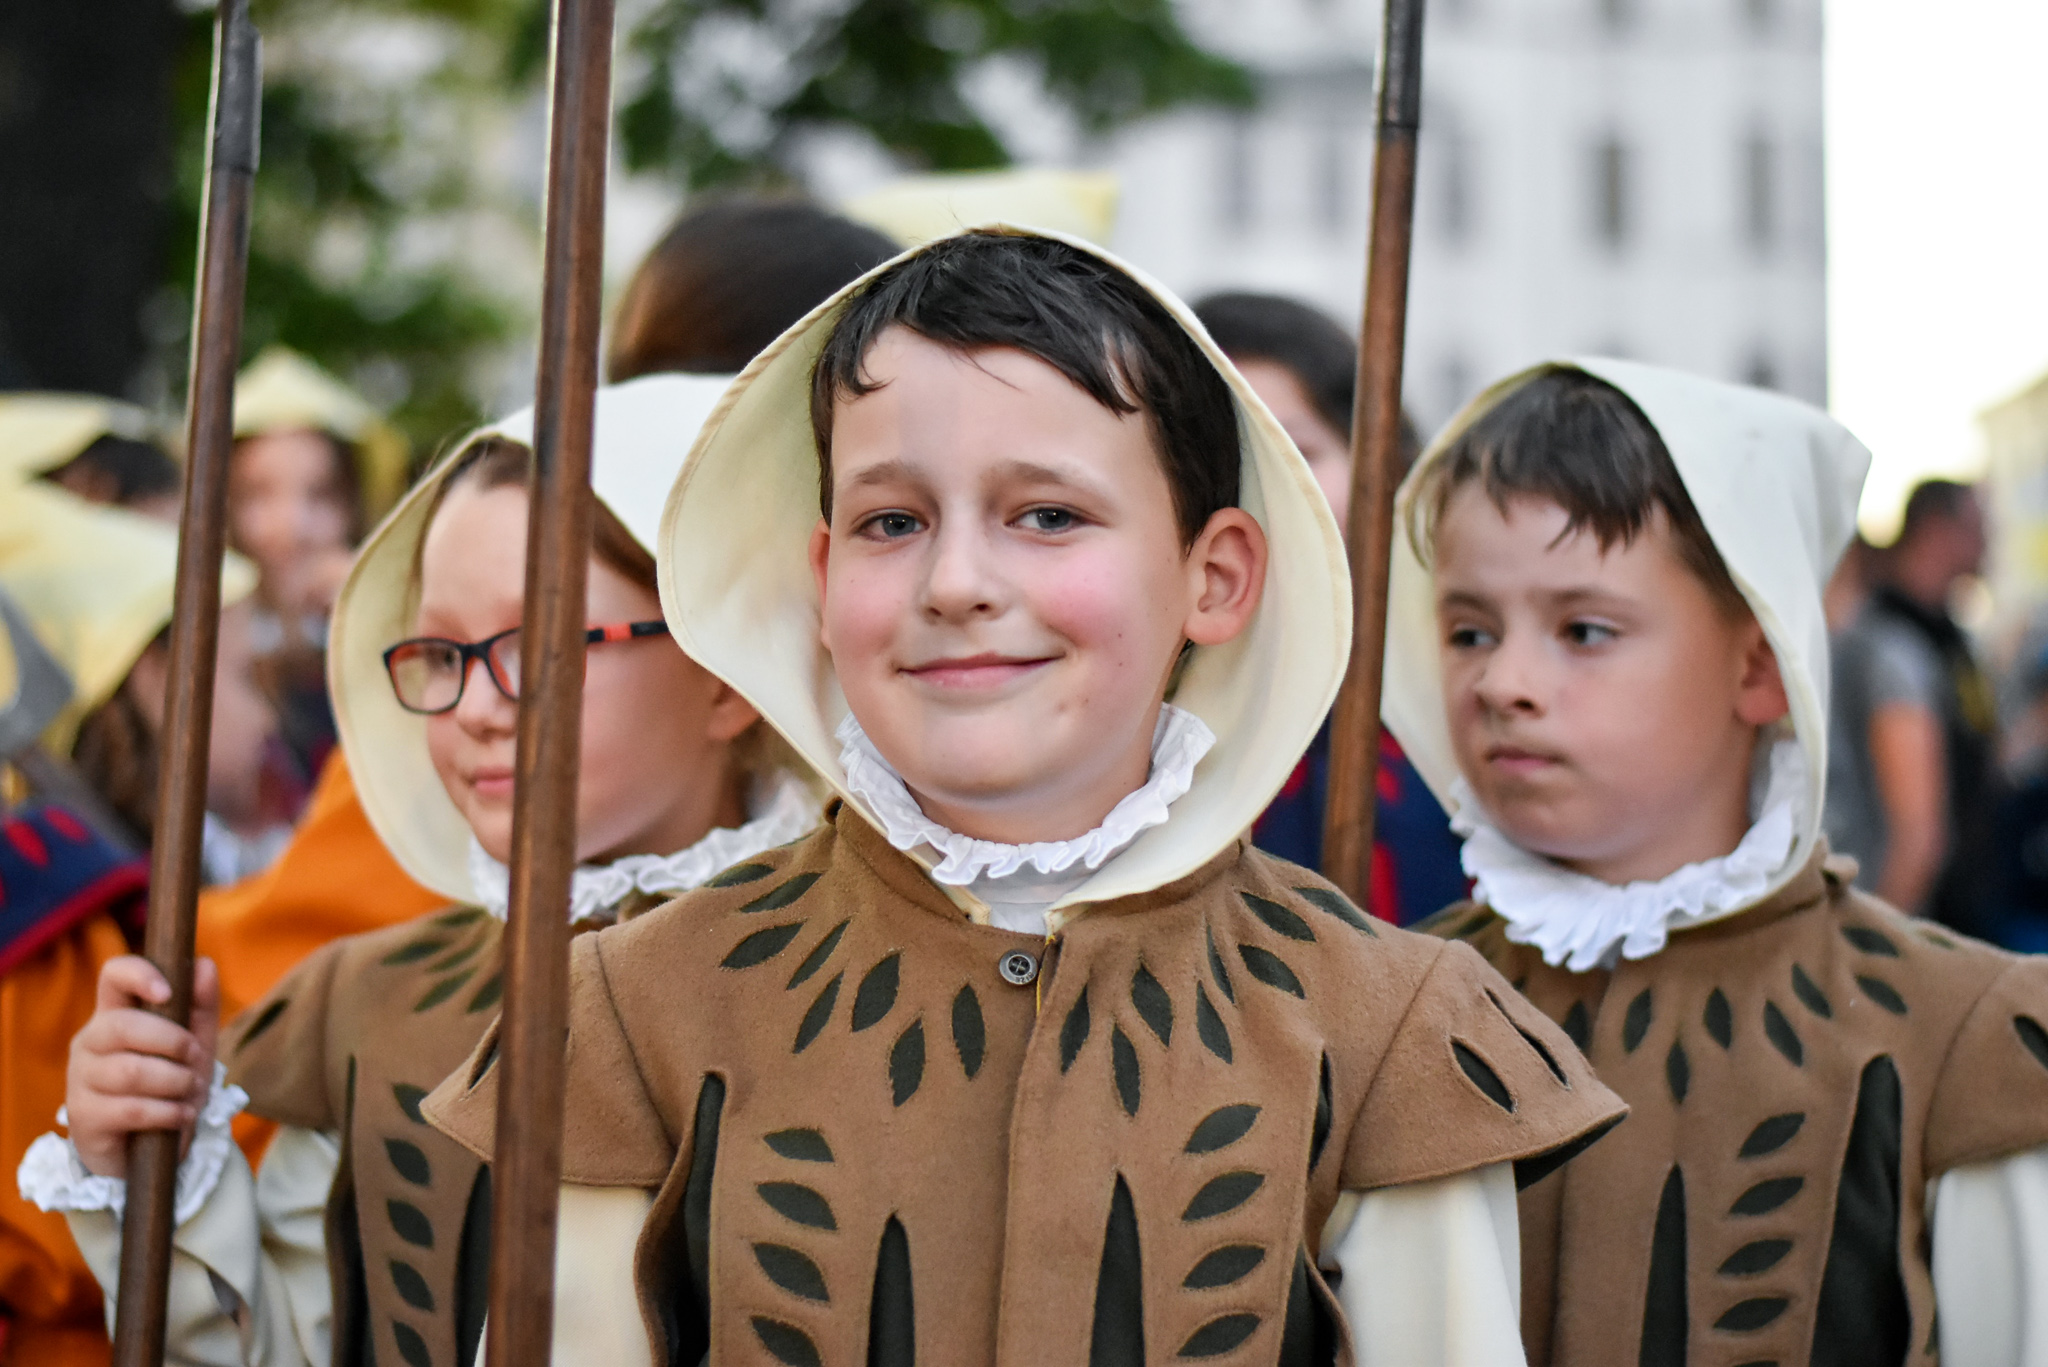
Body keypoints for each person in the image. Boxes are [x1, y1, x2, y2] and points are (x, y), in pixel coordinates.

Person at [428, 228, 1625, 1365]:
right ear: (823, 575)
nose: (955, 581)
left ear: (1212, 577)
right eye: (891, 521)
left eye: (1047, 515)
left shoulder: (1383, 1029)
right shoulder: (633, 1011)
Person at [22, 376, 822, 1367]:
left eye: (540, 643)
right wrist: (156, 1171)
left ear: (722, 669)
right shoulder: (377, 1008)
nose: (475, 706)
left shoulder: (853, 987)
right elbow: (282, 1348)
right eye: (443, 653)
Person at [1383, 361, 2048, 1365]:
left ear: (1759, 664)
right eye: (1469, 629)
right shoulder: (1392, 1012)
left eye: (1584, 630)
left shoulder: (1960, 1041)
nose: (1502, 681)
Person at [0, 484, 259, 1367]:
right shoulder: (48, 910)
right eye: (242, 676)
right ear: (156, 679)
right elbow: (59, 1251)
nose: (267, 713)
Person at [1194, 291, 1465, 924]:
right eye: (1218, 453)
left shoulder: (1449, 679)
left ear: (1382, 463)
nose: (1258, 484)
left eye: (1295, 452)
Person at [229, 347, 411, 789]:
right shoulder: (194, 649)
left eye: (321, 494)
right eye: (258, 494)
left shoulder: (388, 622)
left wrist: (374, 624)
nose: (292, 527)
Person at [1825, 479, 1998, 929]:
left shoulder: (1950, 638)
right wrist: (1875, 944)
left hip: (1962, 909)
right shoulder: (1888, 646)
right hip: (1917, 921)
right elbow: (1919, 838)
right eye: (1978, 527)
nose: (1989, 541)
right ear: (1937, 529)